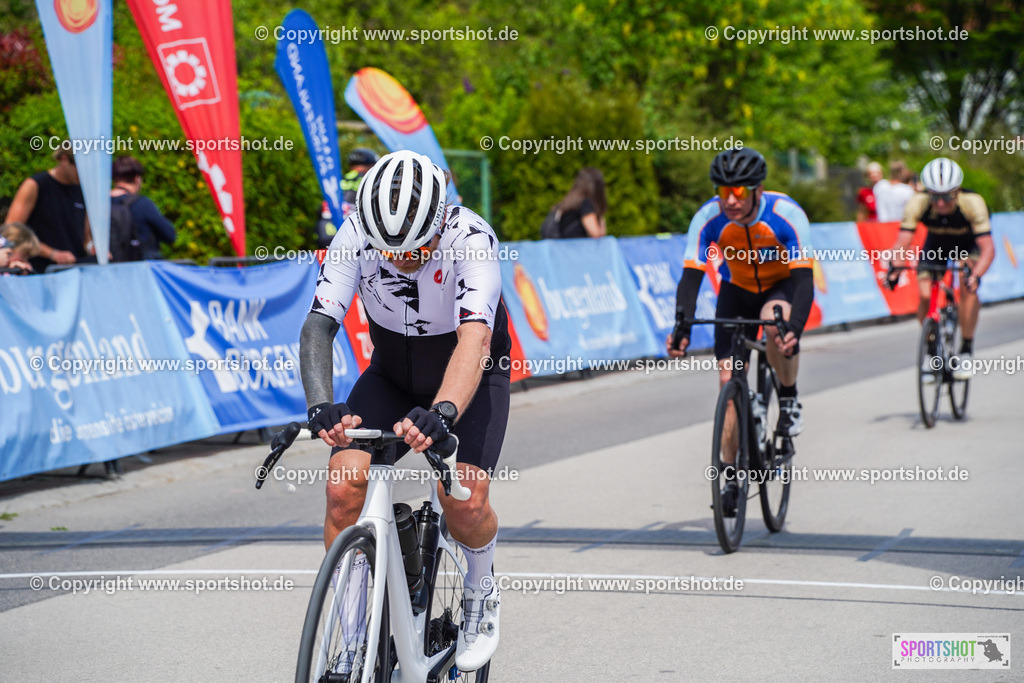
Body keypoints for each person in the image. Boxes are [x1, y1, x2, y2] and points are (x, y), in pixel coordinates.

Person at [299, 150, 508, 672]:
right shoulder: (355, 233)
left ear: (440, 224)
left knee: (463, 498)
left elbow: (475, 339)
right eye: (390, 252)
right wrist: (321, 403)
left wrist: (444, 409)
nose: (401, 261)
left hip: (470, 373)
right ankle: (352, 634)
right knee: (342, 485)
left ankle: (480, 591)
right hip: (391, 373)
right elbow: (318, 326)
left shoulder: (473, 238)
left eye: (415, 251)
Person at [668, 148, 814, 514]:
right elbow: (691, 276)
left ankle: (790, 397)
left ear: (758, 190)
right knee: (728, 381)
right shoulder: (709, 217)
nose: (731, 200)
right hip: (737, 292)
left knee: (776, 324)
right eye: (723, 191)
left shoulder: (786, 215)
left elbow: (804, 280)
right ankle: (730, 474)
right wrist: (682, 324)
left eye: (741, 192)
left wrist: (794, 328)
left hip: (781, 287)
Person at [888, 157, 995, 381]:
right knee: (926, 294)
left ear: (957, 191)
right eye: (934, 196)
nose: (940, 204)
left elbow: (987, 249)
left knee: (968, 287)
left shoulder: (973, 203)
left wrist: (976, 276)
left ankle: (966, 349)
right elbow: (902, 242)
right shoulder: (917, 202)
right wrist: (895, 267)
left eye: (946, 196)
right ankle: (930, 350)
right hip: (936, 245)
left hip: (968, 246)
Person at [4, 147, 86, 272]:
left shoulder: (82, 189)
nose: (83, 173)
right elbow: (11, 230)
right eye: (80, 167)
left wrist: (92, 246)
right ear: (64, 159)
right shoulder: (36, 185)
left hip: (74, 270)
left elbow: (86, 235)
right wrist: (52, 253)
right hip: (42, 271)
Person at [109, 156, 176, 260]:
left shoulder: (103, 203)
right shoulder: (141, 203)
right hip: (142, 267)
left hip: (111, 266)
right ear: (137, 178)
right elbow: (170, 235)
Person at [318, 147, 380, 249]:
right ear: (372, 166)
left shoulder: (337, 181)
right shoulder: (371, 181)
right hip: (354, 236)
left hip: (325, 233)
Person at [553, 167, 607, 238]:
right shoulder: (585, 203)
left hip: (564, 245)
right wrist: (601, 219)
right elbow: (596, 234)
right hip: (577, 246)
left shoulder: (571, 201)